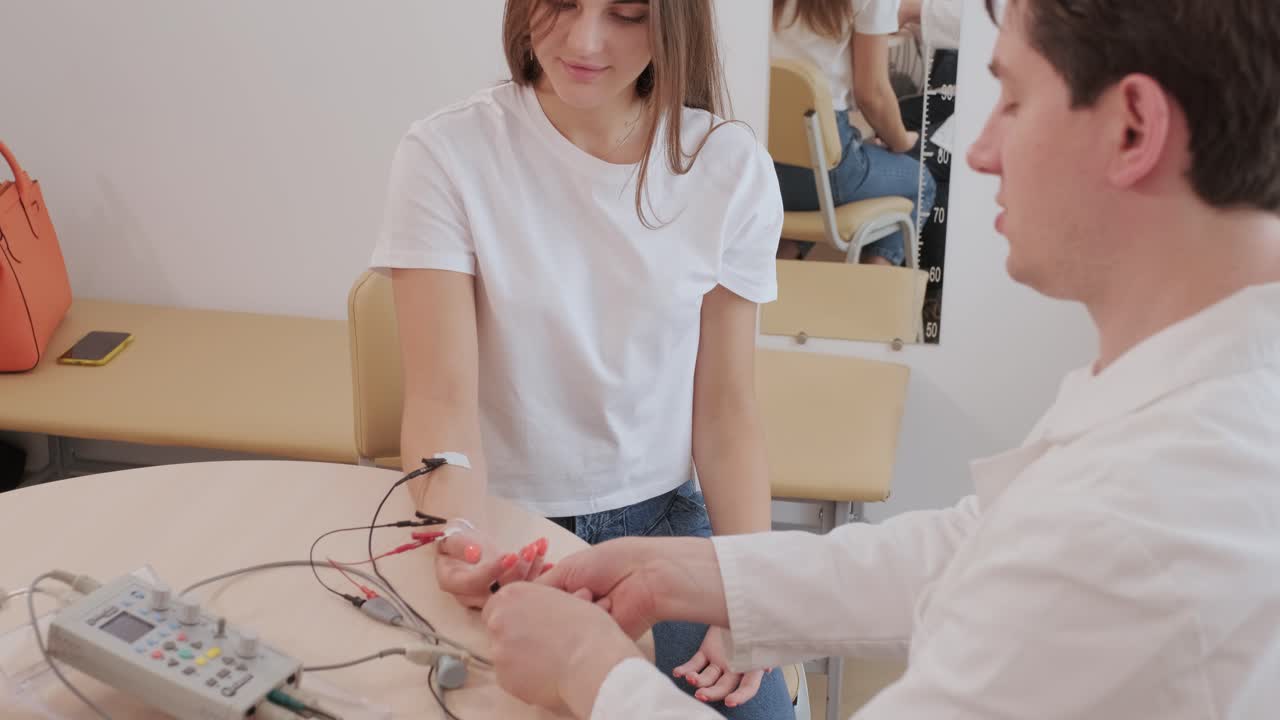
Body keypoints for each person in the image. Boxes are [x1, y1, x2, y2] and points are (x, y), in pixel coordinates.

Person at [478, 0, 1280, 717]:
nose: (982, 150)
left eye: (1012, 99)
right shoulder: (1197, 400)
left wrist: (593, 669)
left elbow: (1047, 551)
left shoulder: (1136, 522)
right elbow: (974, 544)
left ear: (1132, 128)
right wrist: (686, 575)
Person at [368, 0, 794, 717]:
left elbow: (725, 414)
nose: (584, 39)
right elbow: (442, 397)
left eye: (626, 13)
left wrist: (747, 595)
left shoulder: (728, 168)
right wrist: (463, 538)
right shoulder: (448, 153)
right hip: (504, 519)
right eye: (561, 2)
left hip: (660, 524)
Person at [771, 0, 937, 266]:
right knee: (921, 183)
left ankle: (774, 279)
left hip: (759, 161)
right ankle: (872, 294)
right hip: (819, 171)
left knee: (817, 185)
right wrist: (901, 141)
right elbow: (873, 95)